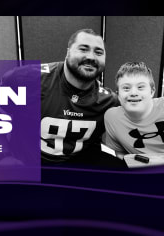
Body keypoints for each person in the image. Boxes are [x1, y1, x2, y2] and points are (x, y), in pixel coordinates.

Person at [40, 29, 124, 167]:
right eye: (83, 49)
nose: (91, 57)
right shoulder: (30, 79)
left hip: (79, 167)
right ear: (68, 53)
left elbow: (141, 125)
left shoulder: (109, 101)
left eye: (98, 52)